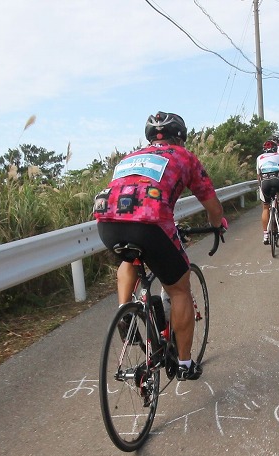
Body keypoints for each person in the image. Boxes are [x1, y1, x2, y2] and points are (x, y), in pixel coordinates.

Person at [93, 111, 227, 381]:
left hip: (107, 223)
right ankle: (185, 364)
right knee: (179, 289)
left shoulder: (129, 157)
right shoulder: (184, 156)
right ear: (181, 137)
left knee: (129, 260)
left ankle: (124, 311)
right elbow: (211, 203)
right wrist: (217, 224)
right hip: (150, 223)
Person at [256, 140, 279, 245]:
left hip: (264, 182)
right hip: (277, 181)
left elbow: (258, 176)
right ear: (275, 148)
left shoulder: (259, 158)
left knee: (265, 207)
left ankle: (265, 235)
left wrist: (261, 187)